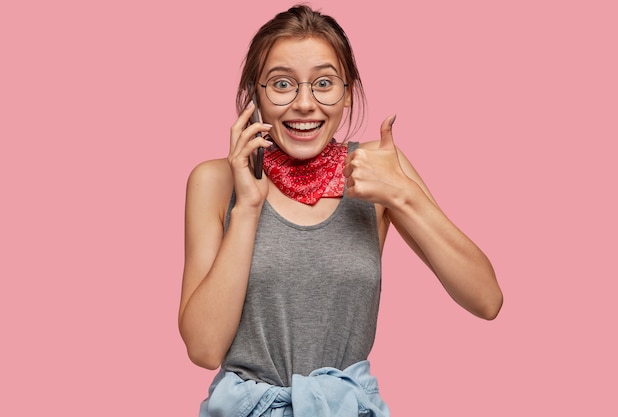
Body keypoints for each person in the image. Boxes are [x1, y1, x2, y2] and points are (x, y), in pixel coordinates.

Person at [178, 4, 503, 416]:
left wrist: (402, 196)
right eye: (282, 84)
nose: (304, 104)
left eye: (324, 83)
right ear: (255, 95)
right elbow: (204, 348)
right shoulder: (215, 181)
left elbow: (486, 299)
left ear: (347, 93)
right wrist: (247, 207)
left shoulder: (377, 167)